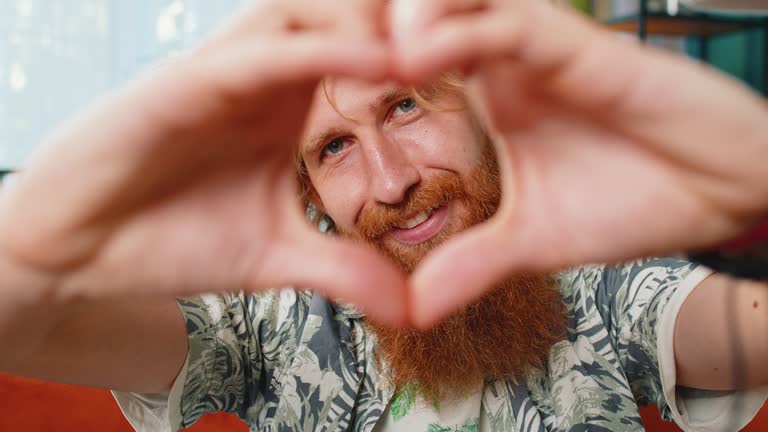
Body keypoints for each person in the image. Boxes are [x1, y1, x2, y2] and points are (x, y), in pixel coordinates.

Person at [0, 0, 767, 431]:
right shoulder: (266, 320)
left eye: (404, 106)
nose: (392, 183)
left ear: (484, 108)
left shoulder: (598, 276)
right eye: (334, 147)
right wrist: (36, 237)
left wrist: (752, 187)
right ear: (306, 189)